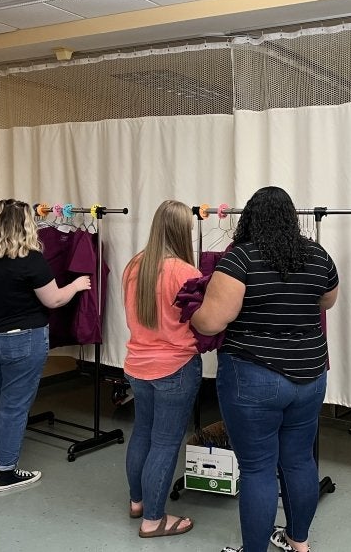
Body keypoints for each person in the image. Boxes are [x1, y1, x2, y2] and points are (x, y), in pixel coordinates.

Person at [191, 186, 339, 552]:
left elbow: (211, 322)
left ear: (250, 219)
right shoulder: (318, 256)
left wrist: (193, 311)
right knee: (299, 460)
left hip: (253, 376)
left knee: (257, 468)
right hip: (309, 376)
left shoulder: (240, 259)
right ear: (292, 217)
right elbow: (328, 300)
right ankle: (297, 541)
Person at [0, 199, 90, 491]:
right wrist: (76, 285)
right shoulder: (29, 258)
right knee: (15, 406)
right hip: (20, 341)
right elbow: (54, 299)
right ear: (27, 224)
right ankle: (7, 472)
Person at [122, 200, 200, 538]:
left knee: (142, 432)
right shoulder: (186, 273)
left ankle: (137, 502)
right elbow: (203, 324)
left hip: (137, 365)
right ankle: (153, 521)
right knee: (166, 443)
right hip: (175, 367)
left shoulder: (133, 266)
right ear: (183, 231)